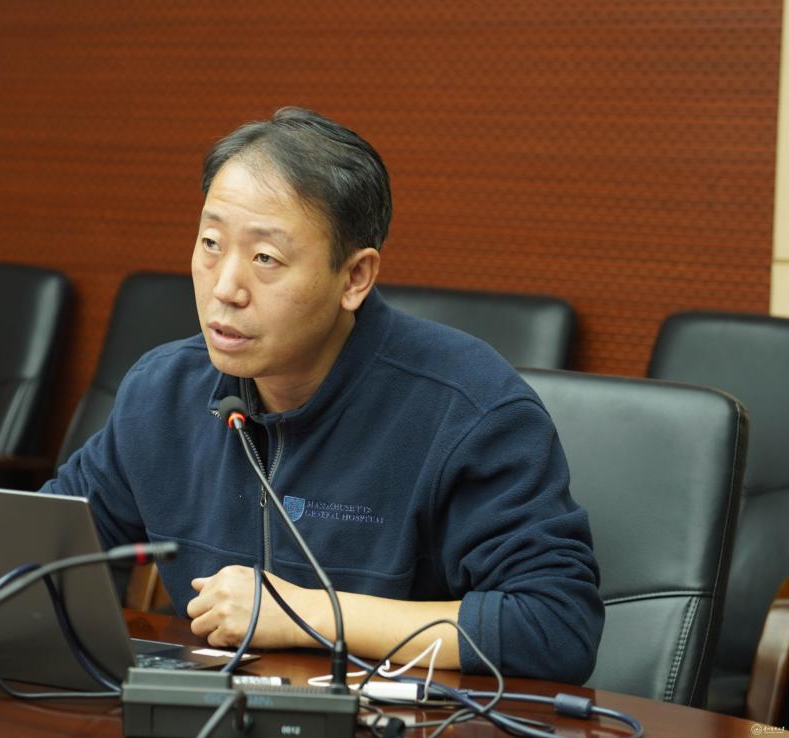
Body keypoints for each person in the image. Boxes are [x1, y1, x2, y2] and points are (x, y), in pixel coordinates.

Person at [44, 107, 604, 683]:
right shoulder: (162, 392)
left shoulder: (466, 407)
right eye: (210, 243)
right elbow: (35, 558)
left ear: (355, 278)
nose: (226, 287)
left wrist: (303, 613)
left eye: (265, 258)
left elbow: (556, 627)